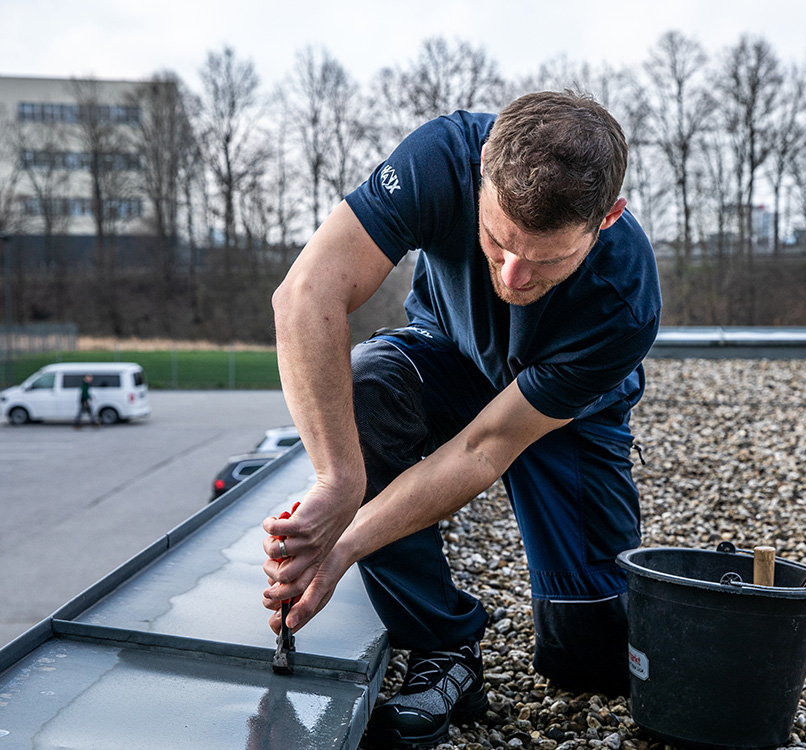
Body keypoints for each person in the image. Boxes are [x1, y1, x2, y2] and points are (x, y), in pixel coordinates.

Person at [262, 90, 661, 748]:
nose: (515, 276)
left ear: (608, 218)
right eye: (498, 242)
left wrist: (348, 545)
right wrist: (339, 483)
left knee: (590, 657)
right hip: (451, 352)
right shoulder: (442, 159)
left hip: (563, 413)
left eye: (548, 260)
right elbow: (306, 293)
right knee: (366, 393)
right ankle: (443, 645)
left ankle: (590, 624)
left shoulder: (625, 302)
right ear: (481, 173)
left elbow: (484, 448)